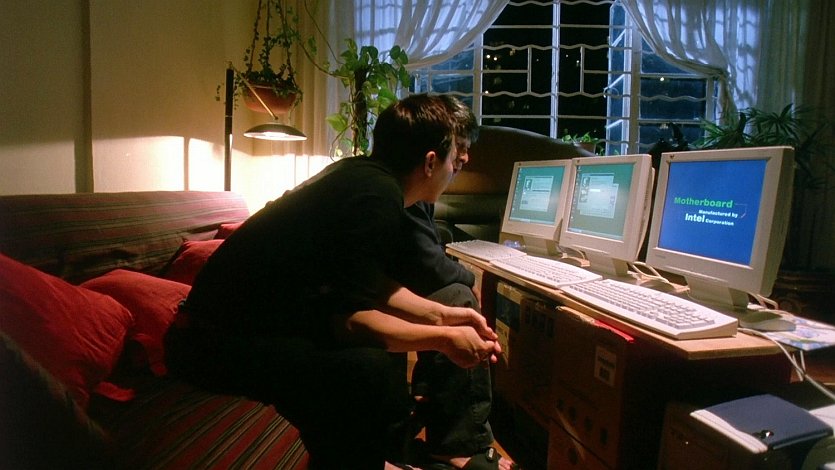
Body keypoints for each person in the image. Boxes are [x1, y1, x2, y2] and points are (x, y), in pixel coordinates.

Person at [164, 94, 506, 470]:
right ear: (429, 162)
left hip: (212, 334)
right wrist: (445, 340)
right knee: (367, 367)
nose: (458, 166)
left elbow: (369, 284)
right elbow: (350, 322)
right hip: (210, 346)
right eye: (454, 157)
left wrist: (445, 317)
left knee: (374, 357)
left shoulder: (362, 176)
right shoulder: (377, 197)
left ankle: (386, 456)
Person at [391, 96, 518, 470]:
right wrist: (470, 278)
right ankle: (460, 444)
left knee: (454, 294)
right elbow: (426, 263)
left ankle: (434, 406)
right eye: (458, 146)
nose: (464, 157)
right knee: (459, 297)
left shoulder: (410, 187)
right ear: (433, 156)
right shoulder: (394, 191)